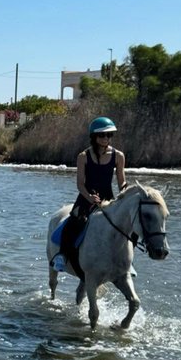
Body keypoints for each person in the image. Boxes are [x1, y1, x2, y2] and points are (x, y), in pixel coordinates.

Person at [52, 116, 126, 273]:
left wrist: (128, 193)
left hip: (108, 198)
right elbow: (80, 184)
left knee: (123, 226)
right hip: (86, 197)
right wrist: (89, 197)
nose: (106, 138)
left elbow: (121, 183)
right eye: (102, 135)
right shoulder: (83, 156)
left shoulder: (118, 156)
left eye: (109, 135)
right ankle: (62, 255)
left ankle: (126, 261)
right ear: (94, 136)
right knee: (74, 223)